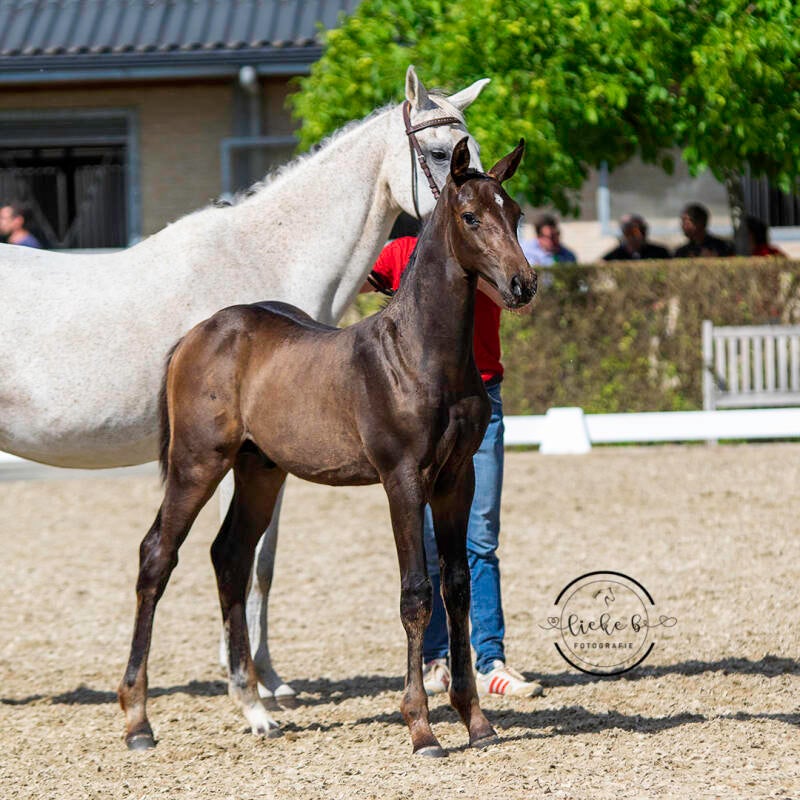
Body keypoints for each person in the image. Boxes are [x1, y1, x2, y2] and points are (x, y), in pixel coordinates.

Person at [365, 235, 543, 698]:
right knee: (424, 537)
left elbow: (522, 304)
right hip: (418, 403)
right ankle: (435, 658)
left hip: (480, 393)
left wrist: (475, 274)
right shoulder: (402, 250)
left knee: (480, 534)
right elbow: (350, 281)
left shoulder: (485, 240)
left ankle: (490, 659)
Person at [602, 214, 671, 261]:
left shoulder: (660, 253)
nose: (639, 235)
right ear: (624, 233)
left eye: (642, 230)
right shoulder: (613, 257)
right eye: (632, 231)